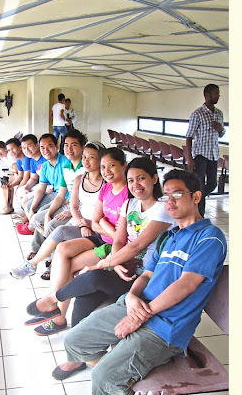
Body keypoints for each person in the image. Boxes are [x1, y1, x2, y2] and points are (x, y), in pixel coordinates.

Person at [58, 169, 226, 395]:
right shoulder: (167, 236)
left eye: (177, 195)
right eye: (166, 196)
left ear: (196, 197)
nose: (169, 201)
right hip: (135, 306)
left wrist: (139, 316)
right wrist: (134, 296)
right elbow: (147, 274)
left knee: (102, 378)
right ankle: (124, 387)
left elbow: (187, 284)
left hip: (166, 327)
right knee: (74, 343)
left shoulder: (209, 237)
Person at [29, 157, 175, 336]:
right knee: (83, 299)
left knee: (93, 276)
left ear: (154, 179)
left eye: (141, 178)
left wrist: (105, 264)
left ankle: (53, 299)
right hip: (125, 268)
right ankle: (75, 353)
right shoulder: (130, 204)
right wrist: (115, 263)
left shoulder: (163, 209)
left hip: (145, 276)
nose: (135, 184)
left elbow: (136, 246)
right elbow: (120, 241)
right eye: (131, 180)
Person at [23, 147, 129, 333]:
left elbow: (122, 235)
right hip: (100, 238)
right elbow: (95, 222)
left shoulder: (128, 195)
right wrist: (103, 225)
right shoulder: (106, 189)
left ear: (124, 166)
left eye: (112, 165)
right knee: (62, 250)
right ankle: (54, 307)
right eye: (104, 166)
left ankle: (57, 314)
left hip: (112, 246)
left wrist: (103, 224)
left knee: (70, 265)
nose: (107, 171)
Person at [10, 141, 103, 280]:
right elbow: (74, 205)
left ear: (101, 159)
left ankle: (48, 262)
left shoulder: (106, 183)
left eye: (91, 157)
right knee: (55, 227)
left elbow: (102, 212)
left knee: (57, 230)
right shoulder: (80, 178)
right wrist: (80, 222)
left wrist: (86, 224)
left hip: (94, 226)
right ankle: (33, 264)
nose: (86, 161)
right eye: (84, 157)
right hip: (80, 221)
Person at [185, 83, 226, 217]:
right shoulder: (197, 114)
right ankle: (200, 215)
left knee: (213, 184)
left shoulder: (219, 114)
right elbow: (189, 136)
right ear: (207, 95)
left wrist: (221, 129)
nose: (218, 96)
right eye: (215, 93)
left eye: (218, 93)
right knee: (200, 185)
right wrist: (189, 159)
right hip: (200, 155)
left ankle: (194, 200)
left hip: (213, 154)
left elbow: (221, 134)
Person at [17, 134, 66, 235]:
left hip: (63, 196)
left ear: (57, 146)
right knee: (30, 205)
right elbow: (40, 189)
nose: (46, 150)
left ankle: (39, 236)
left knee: (41, 213)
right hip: (55, 194)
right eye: (43, 147)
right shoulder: (44, 166)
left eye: (50, 146)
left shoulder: (66, 163)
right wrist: (31, 209)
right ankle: (39, 231)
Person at [14, 134, 46, 218]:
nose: (26, 150)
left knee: (25, 199)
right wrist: (26, 187)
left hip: (48, 187)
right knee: (20, 191)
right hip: (40, 184)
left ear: (37, 145)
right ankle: (27, 215)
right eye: (24, 148)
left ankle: (29, 222)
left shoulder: (45, 158)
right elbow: (34, 178)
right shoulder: (32, 159)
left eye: (29, 146)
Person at [0, 140, 19, 214]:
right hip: (18, 175)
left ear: (5, 148)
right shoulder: (4, 157)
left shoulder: (10, 156)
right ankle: (7, 205)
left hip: (21, 175)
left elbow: (16, 169)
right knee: (4, 180)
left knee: (6, 181)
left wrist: (11, 170)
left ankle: (8, 207)